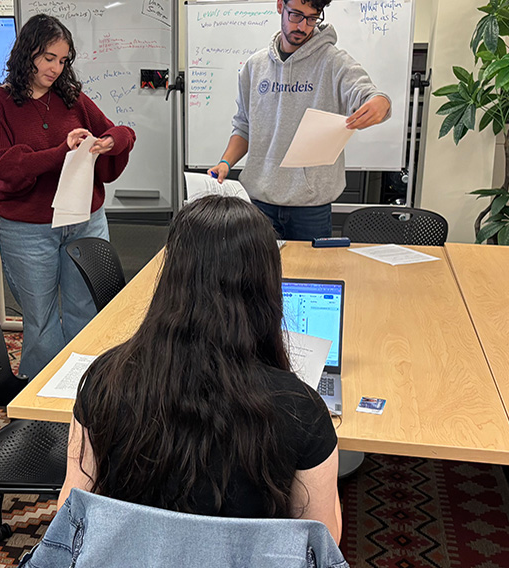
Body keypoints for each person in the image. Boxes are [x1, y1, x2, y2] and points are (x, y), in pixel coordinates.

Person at [57, 196, 341, 542]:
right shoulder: (301, 409)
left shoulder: (105, 381)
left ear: (171, 277)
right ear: (267, 286)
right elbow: (322, 541)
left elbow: (70, 513)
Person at [0, 14, 135, 379]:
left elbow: (123, 133)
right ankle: (43, 397)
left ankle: (85, 389)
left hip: (84, 220)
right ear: (27, 53)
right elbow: (4, 164)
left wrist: (108, 142)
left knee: (86, 309)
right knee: (41, 320)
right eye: (49, 58)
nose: (56, 68)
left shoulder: (71, 98)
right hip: (29, 228)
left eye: (63, 61)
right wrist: (61, 153)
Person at [209, 0, 391, 241]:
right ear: (280, 6)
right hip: (259, 201)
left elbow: (368, 93)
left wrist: (380, 103)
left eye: (312, 18)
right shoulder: (254, 66)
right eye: (296, 15)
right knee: (258, 268)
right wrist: (226, 162)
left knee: (312, 268)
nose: (303, 27)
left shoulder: (334, 62)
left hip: (311, 207)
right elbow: (244, 126)